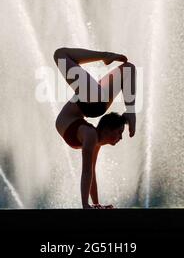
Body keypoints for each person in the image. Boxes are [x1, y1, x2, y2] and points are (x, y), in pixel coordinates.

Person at [53, 47, 137, 209]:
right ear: (106, 129)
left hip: (92, 103)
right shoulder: (91, 136)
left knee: (61, 55)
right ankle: (131, 111)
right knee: (128, 69)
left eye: (120, 133)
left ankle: (104, 57)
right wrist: (87, 205)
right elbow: (88, 172)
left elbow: (89, 172)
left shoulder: (92, 138)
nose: (120, 137)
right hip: (92, 102)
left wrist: (93, 204)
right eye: (120, 132)